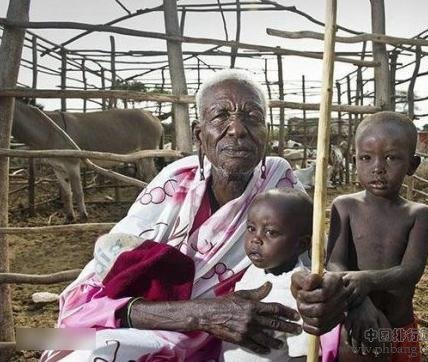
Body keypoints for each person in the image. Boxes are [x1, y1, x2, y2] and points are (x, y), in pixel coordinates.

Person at [41, 69, 308, 362]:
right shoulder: (173, 183)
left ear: (266, 133)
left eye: (252, 117)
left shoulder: (280, 187)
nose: (237, 129)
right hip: (149, 330)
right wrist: (200, 314)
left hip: (235, 344)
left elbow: (311, 268)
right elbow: (95, 295)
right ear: (198, 134)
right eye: (220, 116)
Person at [326, 111, 428, 361]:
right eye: (366, 157)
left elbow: (412, 270)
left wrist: (368, 280)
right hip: (356, 325)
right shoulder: (344, 206)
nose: (378, 168)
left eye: (391, 158)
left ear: (413, 165)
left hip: (401, 327)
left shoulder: (418, 214)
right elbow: (334, 262)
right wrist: (359, 301)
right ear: (355, 160)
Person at [221, 188, 313, 362]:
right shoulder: (253, 270)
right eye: (251, 228)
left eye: (271, 232)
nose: (256, 239)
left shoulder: (301, 291)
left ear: (301, 244)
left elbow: (302, 354)